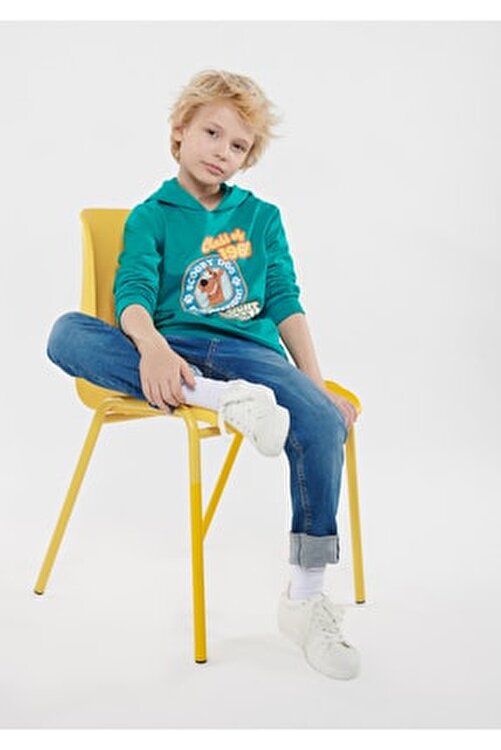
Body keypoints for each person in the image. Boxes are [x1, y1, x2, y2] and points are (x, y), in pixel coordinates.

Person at [47, 69, 360, 680]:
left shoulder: (261, 218)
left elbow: (286, 302)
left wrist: (315, 385)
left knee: (323, 423)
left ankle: (304, 598)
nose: (222, 151)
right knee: (66, 332)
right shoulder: (152, 215)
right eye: (212, 133)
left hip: (251, 353)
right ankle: (221, 399)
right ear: (179, 133)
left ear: (248, 157)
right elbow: (132, 295)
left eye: (238, 145)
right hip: (175, 349)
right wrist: (153, 349)